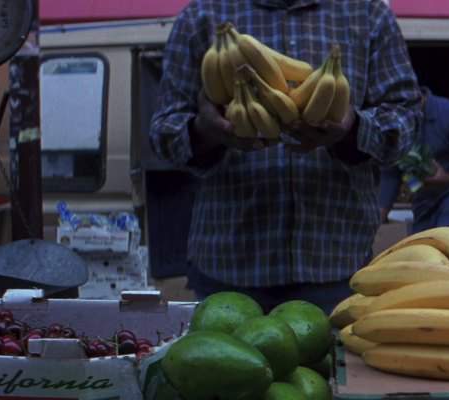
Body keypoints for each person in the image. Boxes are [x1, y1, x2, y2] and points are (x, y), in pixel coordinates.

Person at [150, 0, 422, 312]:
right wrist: (203, 130)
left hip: (337, 265)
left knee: (332, 360)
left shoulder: (367, 13)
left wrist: (352, 130)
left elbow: (405, 120)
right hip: (226, 266)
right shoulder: (201, 16)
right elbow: (163, 133)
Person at [379, 87, 449, 234]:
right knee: (419, 244)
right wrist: (380, 215)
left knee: (447, 239)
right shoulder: (391, 122)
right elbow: (391, 174)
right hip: (422, 196)